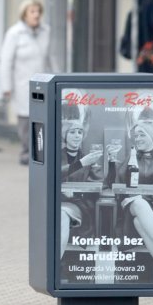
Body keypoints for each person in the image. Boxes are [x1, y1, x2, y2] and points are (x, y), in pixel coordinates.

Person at [0, 0, 58, 165]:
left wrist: (59, 78)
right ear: (24, 14)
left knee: (44, 117)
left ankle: (41, 152)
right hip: (22, 84)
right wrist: (6, 86)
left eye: (38, 11)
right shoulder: (14, 33)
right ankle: (26, 152)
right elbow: (6, 61)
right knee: (25, 120)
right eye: (32, 11)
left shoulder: (46, 31)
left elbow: (51, 57)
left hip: (43, 82)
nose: (36, 15)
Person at [59, 105, 103, 258]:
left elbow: (101, 184)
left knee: (63, 215)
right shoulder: (57, 156)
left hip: (76, 205)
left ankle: (57, 261)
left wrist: (111, 161)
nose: (77, 136)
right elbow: (55, 174)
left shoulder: (88, 158)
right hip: (55, 202)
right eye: (72, 132)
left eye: (80, 132)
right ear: (65, 135)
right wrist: (81, 163)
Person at [117, 117, 153, 258]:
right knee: (139, 203)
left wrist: (143, 196)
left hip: (152, 207)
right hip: (133, 206)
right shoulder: (132, 157)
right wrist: (111, 161)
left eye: (142, 135)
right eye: (136, 135)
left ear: (152, 136)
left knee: (138, 223)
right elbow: (116, 182)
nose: (138, 139)